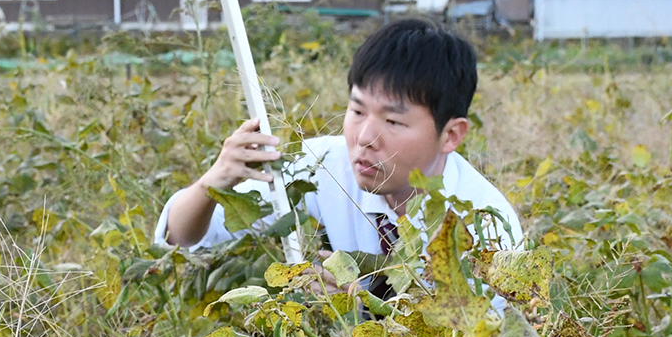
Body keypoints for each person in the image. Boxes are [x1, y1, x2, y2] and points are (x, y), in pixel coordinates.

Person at [153, 19, 523, 264]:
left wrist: (362, 305)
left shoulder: (486, 228)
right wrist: (213, 183)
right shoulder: (323, 166)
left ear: (451, 135)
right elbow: (181, 240)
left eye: (393, 120)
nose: (364, 138)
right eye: (357, 111)